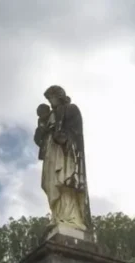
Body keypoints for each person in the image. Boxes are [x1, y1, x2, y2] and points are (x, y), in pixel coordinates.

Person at [36, 85, 91, 233]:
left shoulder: (71, 109)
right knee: (51, 183)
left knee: (65, 180)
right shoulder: (48, 117)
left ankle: (71, 218)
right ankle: (57, 216)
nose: (50, 101)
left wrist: (63, 137)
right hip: (51, 153)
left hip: (65, 152)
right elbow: (39, 138)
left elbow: (76, 132)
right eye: (48, 99)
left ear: (58, 96)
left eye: (51, 98)